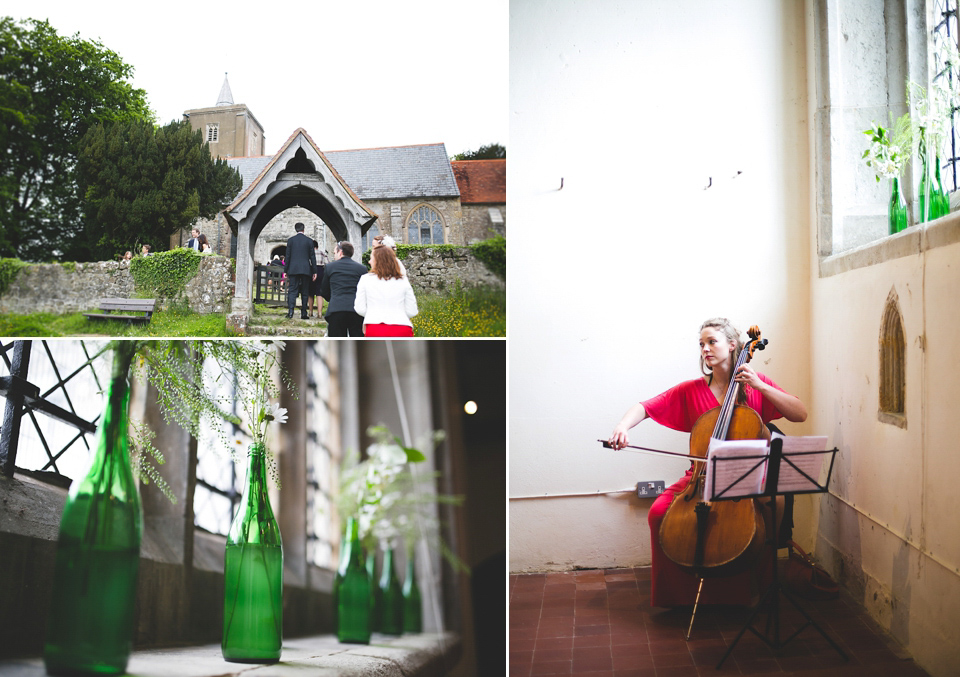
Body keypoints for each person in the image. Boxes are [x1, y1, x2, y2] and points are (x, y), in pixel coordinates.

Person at [608, 317, 807, 608]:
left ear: (732, 345)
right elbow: (645, 407)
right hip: (701, 477)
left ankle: (758, 590)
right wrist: (622, 427)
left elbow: (799, 413)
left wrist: (760, 387)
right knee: (658, 514)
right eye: (701, 344)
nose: (705, 349)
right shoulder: (692, 389)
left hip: (746, 475)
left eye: (712, 342)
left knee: (769, 510)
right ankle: (679, 597)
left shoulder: (755, 382)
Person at [354, 245, 418, 337]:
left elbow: (360, 308)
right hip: (402, 327)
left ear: (378, 261)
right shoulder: (403, 280)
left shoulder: (365, 279)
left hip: (375, 327)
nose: (369, 261)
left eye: (371, 258)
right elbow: (412, 310)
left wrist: (373, 313)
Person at [319, 241, 367, 336]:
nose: (334, 255)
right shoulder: (362, 269)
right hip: (355, 310)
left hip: (336, 309)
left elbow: (324, 291)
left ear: (340, 252)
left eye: (334, 253)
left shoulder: (330, 267)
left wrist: (334, 298)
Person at [283, 222, 317, 319]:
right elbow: (312, 258)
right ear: (304, 229)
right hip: (306, 269)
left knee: (292, 290)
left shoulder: (290, 241)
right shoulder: (309, 241)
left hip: (293, 269)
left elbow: (288, 257)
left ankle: (290, 312)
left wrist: (285, 270)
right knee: (305, 291)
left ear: (296, 229)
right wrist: (314, 271)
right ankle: (303, 313)